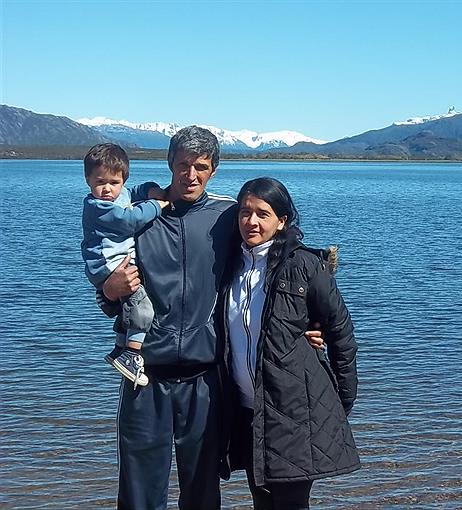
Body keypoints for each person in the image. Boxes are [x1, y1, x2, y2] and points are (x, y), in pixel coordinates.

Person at [101, 128, 324, 510]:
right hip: (143, 375)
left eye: (201, 167)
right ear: (170, 163)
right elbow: (103, 264)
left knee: (202, 492)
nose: (191, 175)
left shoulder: (226, 216)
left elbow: (279, 261)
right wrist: (108, 291)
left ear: (214, 170)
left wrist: (304, 325)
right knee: (139, 494)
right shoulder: (136, 214)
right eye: (183, 165)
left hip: (205, 378)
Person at [220, 177, 360, 509]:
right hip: (247, 412)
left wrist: (341, 401)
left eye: (262, 214)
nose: (251, 222)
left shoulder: (303, 266)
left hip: (294, 411)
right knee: (262, 501)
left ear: (281, 221)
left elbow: (341, 333)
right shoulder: (229, 264)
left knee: (291, 504)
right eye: (245, 212)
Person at [81, 143, 170, 388]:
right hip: (107, 266)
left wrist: (150, 189)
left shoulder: (120, 195)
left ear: (123, 181)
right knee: (142, 308)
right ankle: (131, 355)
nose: (107, 189)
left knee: (126, 308)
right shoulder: (97, 207)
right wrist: (157, 205)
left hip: (114, 263)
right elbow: (129, 220)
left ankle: (119, 348)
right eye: (100, 182)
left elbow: (133, 192)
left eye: (114, 182)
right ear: (88, 180)